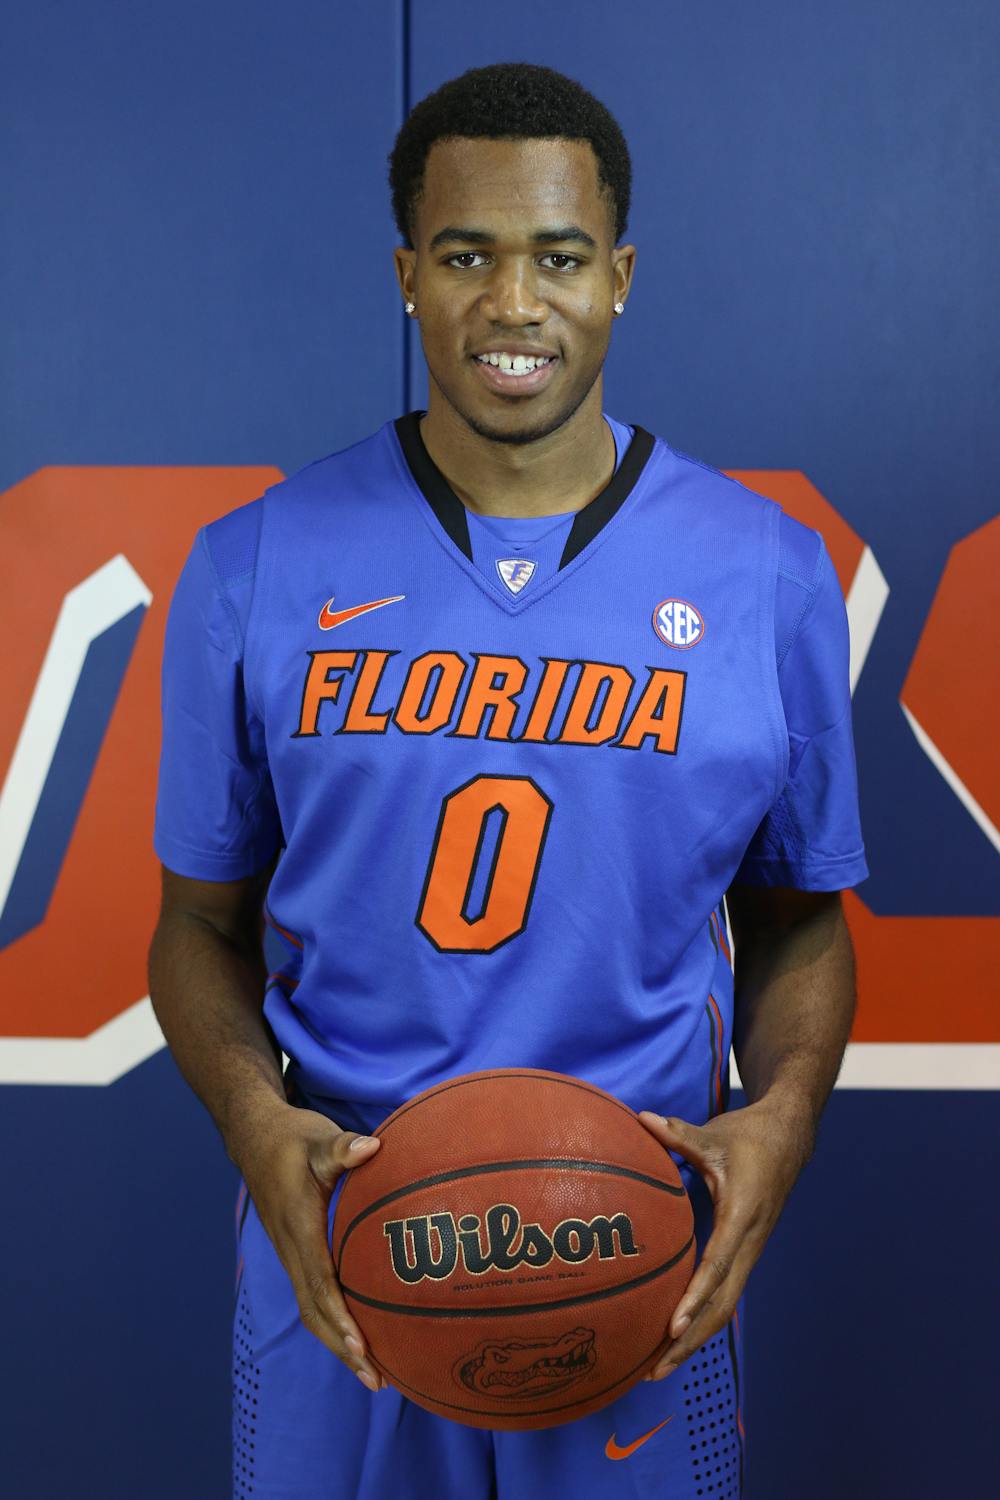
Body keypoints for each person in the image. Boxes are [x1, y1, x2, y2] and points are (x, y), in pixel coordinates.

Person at [149, 61, 868, 1500]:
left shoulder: (765, 574)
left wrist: (780, 1118)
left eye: (557, 256)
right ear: (410, 276)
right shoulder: (257, 567)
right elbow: (193, 935)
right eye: (468, 256)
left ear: (621, 275)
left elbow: (803, 928)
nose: (514, 305)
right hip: (348, 1273)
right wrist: (256, 1121)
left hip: (639, 1271)